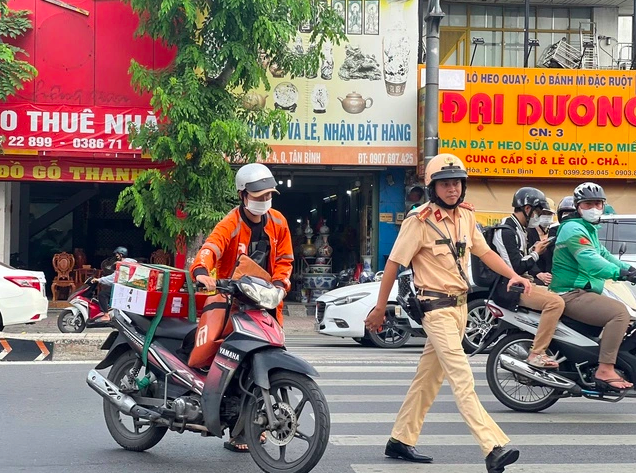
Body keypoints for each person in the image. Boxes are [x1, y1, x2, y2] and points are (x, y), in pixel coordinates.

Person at [364, 153, 531, 473]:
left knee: (427, 380)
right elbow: (393, 264)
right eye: (445, 184)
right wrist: (380, 307)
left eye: (457, 183)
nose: (452, 189)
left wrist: (512, 275)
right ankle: (492, 447)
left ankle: (400, 439)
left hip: (460, 309)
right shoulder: (419, 221)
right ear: (433, 188)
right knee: (462, 379)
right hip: (435, 310)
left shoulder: (466, 217)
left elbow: (484, 252)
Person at [190, 162, 294, 452]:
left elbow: (286, 260)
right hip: (230, 301)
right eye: (258, 196)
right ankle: (225, 417)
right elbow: (211, 248)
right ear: (242, 195)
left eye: (267, 196)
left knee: (262, 366)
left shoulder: (279, 222)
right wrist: (200, 270)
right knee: (226, 361)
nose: (263, 201)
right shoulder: (231, 223)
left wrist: (281, 285)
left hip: (267, 304)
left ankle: (249, 427)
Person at [551, 182, 635, 391]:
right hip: (571, 293)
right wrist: (620, 273)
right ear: (578, 206)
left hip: (584, 292)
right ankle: (605, 368)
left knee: (630, 318)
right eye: (588, 204)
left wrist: (630, 269)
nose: (594, 208)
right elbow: (591, 261)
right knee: (620, 314)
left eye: (598, 204)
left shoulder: (590, 230)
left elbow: (605, 256)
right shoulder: (572, 229)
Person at [490, 188, 565, 369]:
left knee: (563, 295)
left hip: (522, 283)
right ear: (527, 208)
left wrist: (533, 252)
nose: (539, 217)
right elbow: (513, 268)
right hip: (510, 287)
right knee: (555, 303)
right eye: (538, 212)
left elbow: (520, 260)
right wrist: (536, 253)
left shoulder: (519, 228)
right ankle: (537, 353)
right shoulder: (506, 230)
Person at [92, 246, 135, 315]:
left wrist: (99, 280)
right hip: (126, 286)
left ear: (121, 254)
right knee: (108, 290)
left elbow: (114, 277)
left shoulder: (124, 264)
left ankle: (106, 315)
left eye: (117, 254)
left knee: (102, 294)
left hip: (122, 287)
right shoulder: (130, 263)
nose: (116, 255)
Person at [527, 197, 557, 276]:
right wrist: (538, 273)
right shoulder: (528, 232)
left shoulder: (554, 232)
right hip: (533, 277)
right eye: (543, 213)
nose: (546, 216)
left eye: (549, 214)